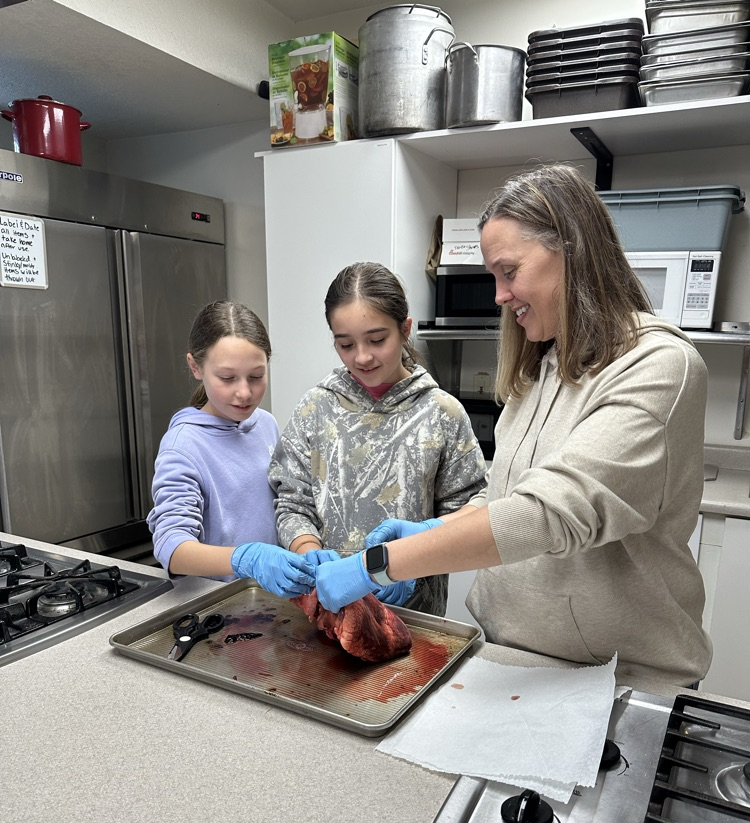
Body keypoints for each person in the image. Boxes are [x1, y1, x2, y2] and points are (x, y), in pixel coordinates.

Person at [309, 164, 712, 694]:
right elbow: (509, 494)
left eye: (508, 271)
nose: (498, 294)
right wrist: (435, 532)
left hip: (617, 681)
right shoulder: (542, 367)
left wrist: (376, 565)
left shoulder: (658, 366)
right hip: (511, 659)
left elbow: (552, 512)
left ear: (571, 252)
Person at [267, 261, 488, 616]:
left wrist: (413, 561)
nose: (362, 356)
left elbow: (470, 515)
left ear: (405, 330)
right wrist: (308, 551)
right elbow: (292, 501)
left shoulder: (441, 414)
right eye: (346, 344)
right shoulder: (316, 409)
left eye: (377, 339)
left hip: (415, 617)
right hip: (328, 611)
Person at [147, 300, 314, 596]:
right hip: (218, 609)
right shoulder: (183, 447)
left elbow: (284, 502)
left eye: (256, 376)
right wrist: (245, 558)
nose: (244, 393)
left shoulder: (265, 423)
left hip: (269, 602)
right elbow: (172, 548)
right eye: (227, 378)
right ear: (195, 366)